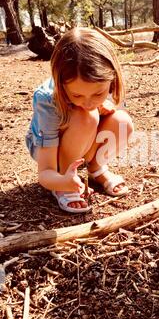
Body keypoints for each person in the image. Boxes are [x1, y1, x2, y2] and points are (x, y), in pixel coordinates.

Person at [25, 27, 134, 213]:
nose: (88, 102)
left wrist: (100, 108)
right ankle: (63, 181)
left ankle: (96, 168)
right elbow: (44, 172)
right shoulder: (47, 100)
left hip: (80, 139)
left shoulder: (95, 86)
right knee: (87, 117)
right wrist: (57, 179)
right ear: (62, 85)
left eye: (98, 93)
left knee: (122, 122)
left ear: (112, 76)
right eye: (76, 95)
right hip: (50, 152)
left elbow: (97, 110)